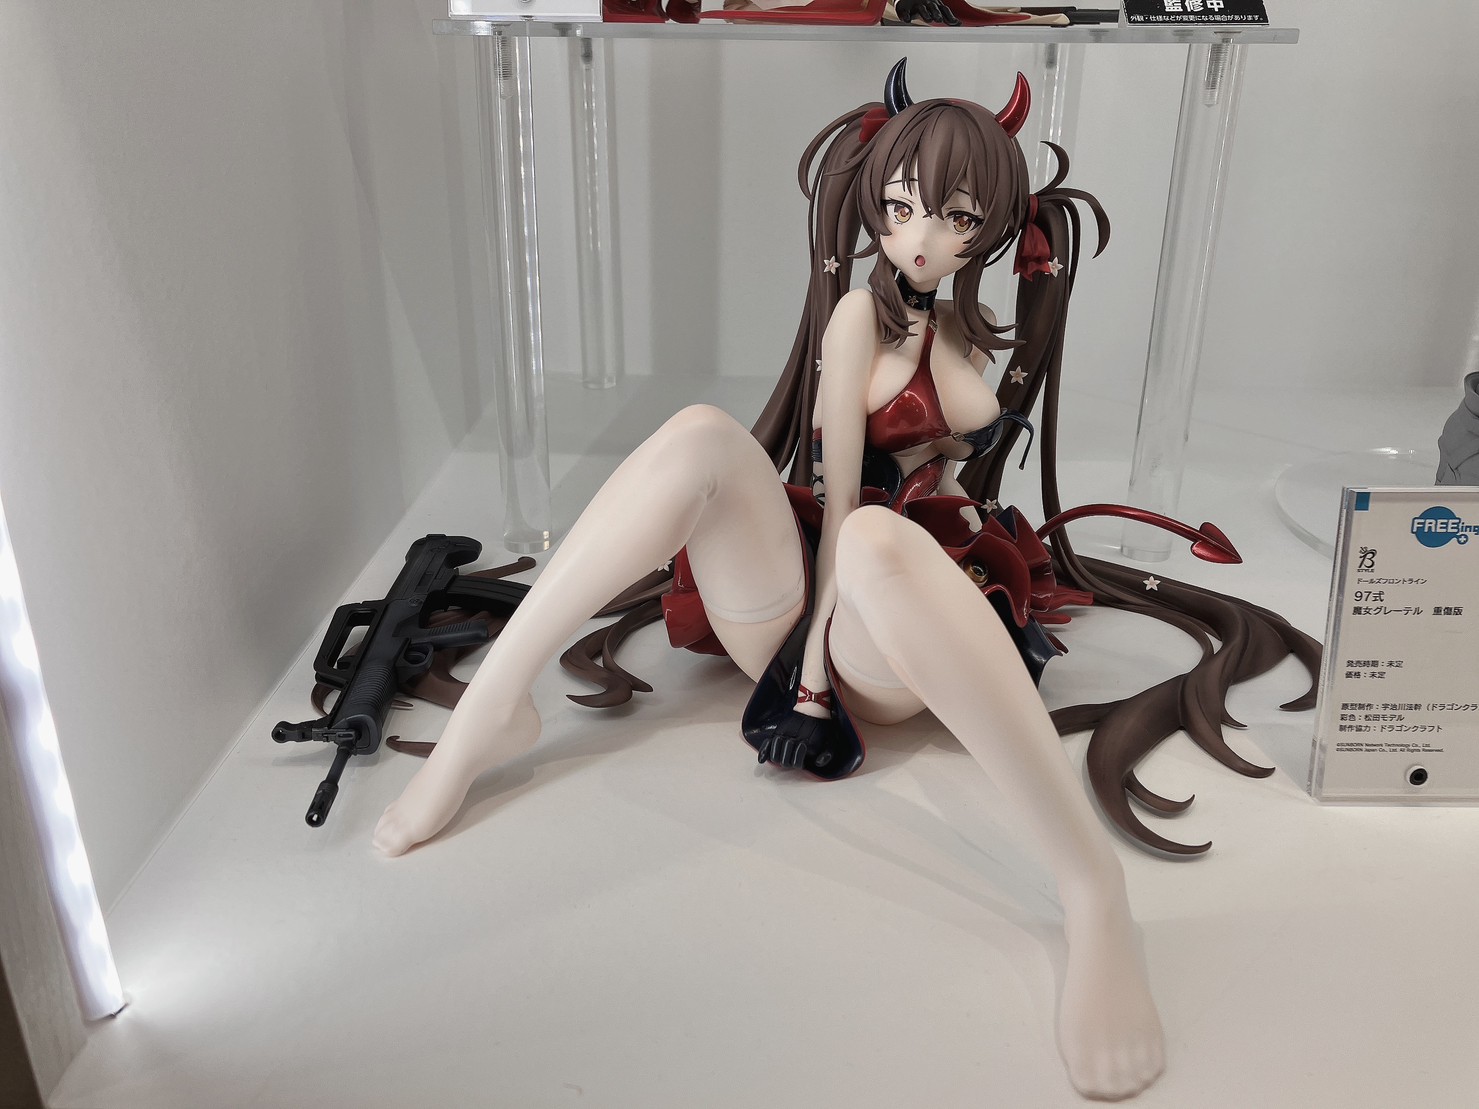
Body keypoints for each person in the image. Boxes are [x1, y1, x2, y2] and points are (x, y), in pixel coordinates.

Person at [374, 60, 1317, 1100]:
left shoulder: (962, 340)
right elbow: (831, 491)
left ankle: (1094, 893)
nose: (918, 236)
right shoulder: (857, 322)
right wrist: (813, 655)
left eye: (955, 217)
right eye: (901, 207)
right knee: (705, 437)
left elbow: (950, 469)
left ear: (989, 232)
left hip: (898, 623)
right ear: (872, 204)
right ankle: (491, 712)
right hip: (807, 608)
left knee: (877, 543)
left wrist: (1013, 349)